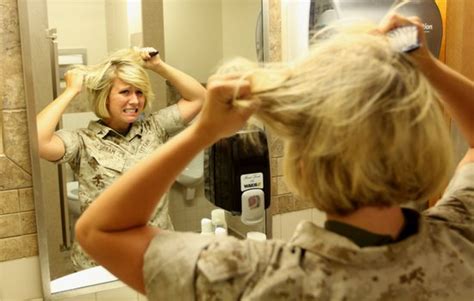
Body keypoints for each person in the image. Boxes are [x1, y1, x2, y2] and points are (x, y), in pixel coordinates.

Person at [75, 14, 474, 300]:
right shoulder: (459, 240)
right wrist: (428, 66)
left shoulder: (252, 277)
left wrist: (205, 132)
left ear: (302, 165)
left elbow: (100, 232)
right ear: (426, 147)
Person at [37, 47, 206, 270]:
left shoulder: (155, 128)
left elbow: (199, 98)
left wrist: (158, 66)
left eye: (140, 92)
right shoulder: (82, 141)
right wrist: (70, 91)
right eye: (125, 92)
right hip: (102, 264)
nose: (135, 100)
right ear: (104, 96)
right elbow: (38, 140)